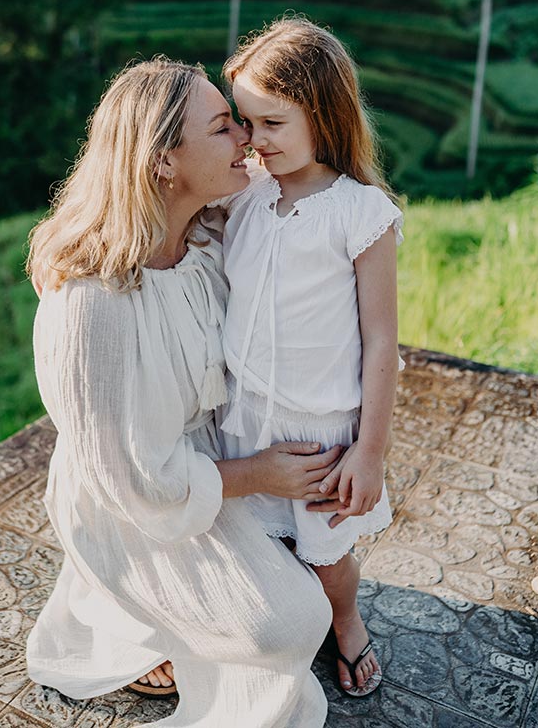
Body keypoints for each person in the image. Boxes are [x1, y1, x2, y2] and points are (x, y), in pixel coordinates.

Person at [25, 57, 350, 728]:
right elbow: (129, 479)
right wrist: (259, 474)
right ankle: (125, 616)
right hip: (131, 502)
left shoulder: (205, 237)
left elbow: (318, 207)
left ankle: (160, 617)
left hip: (205, 463)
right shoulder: (93, 301)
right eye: (224, 127)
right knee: (289, 624)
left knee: (324, 548)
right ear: (163, 161)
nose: (246, 139)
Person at [217, 16, 403, 699]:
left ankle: (345, 621)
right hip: (244, 421)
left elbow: (381, 340)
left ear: (322, 114)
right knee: (250, 547)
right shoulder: (245, 193)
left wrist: (370, 451)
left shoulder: (361, 213)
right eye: (245, 122)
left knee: (326, 559)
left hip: (321, 435)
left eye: (272, 123)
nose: (253, 139)